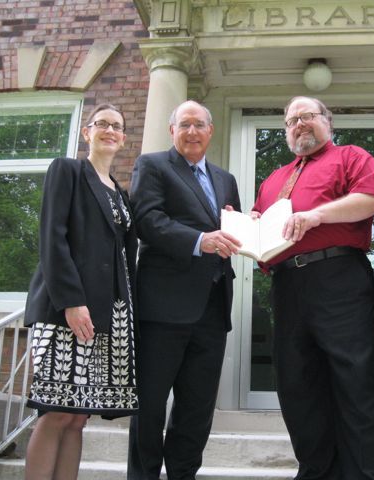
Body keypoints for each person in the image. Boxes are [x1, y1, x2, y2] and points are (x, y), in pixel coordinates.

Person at [251, 96, 374, 480]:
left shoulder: (351, 157)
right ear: (286, 132)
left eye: (308, 116)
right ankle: (316, 470)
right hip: (288, 285)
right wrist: (245, 226)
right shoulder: (273, 181)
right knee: (297, 383)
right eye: (292, 120)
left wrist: (315, 216)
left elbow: (371, 200)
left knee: (357, 380)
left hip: (339, 277)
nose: (300, 124)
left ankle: (365, 473)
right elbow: (262, 234)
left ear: (327, 122)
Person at [127, 100, 242, 480]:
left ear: (211, 131)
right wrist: (199, 241)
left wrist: (248, 227)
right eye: (184, 124)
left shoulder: (226, 179)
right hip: (163, 308)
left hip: (212, 307)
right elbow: (147, 219)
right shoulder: (154, 165)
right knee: (150, 405)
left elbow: (231, 229)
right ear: (171, 130)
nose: (192, 132)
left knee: (196, 408)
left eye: (199, 125)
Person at [24, 104, 138, 480]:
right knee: (55, 410)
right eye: (102, 123)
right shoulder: (68, 170)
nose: (110, 130)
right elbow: (52, 237)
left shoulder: (120, 193)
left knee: (77, 417)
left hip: (109, 316)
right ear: (87, 132)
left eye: (117, 126)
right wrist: (71, 301)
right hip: (67, 310)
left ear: (123, 138)